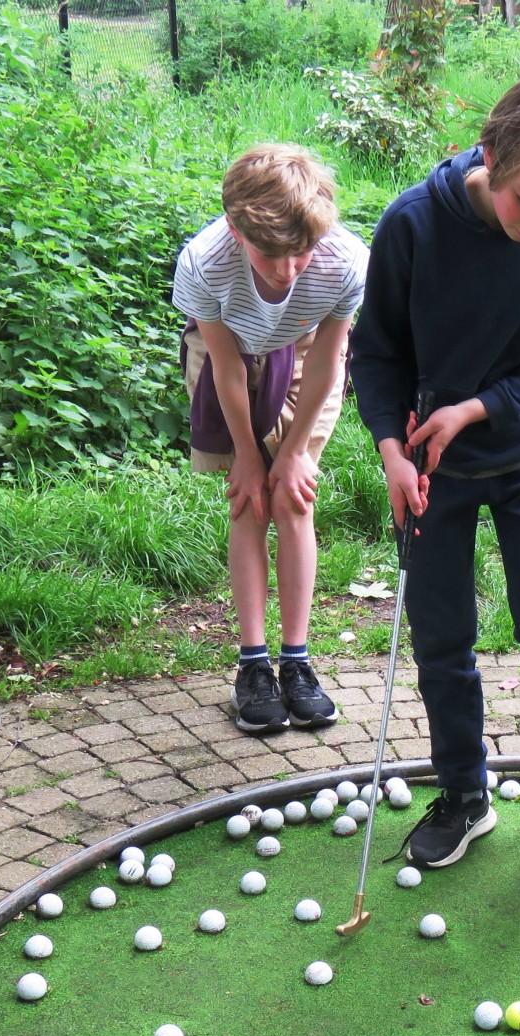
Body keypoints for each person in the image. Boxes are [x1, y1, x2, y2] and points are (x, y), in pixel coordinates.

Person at [349, 75, 520, 877]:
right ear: (490, 157)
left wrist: (477, 408)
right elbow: (378, 351)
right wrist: (392, 448)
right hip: (432, 471)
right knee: (441, 638)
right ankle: (465, 793)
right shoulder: (413, 225)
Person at [172, 143, 366, 735]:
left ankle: (297, 660)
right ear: (234, 228)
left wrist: (292, 452)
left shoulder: (344, 261)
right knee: (250, 498)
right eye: (269, 255)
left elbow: (332, 361)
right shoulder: (205, 263)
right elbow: (225, 368)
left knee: (292, 495)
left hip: (307, 356)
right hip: (228, 351)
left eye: (300, 253)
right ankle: (252, 666)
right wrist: (251, 458)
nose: (287, 271)